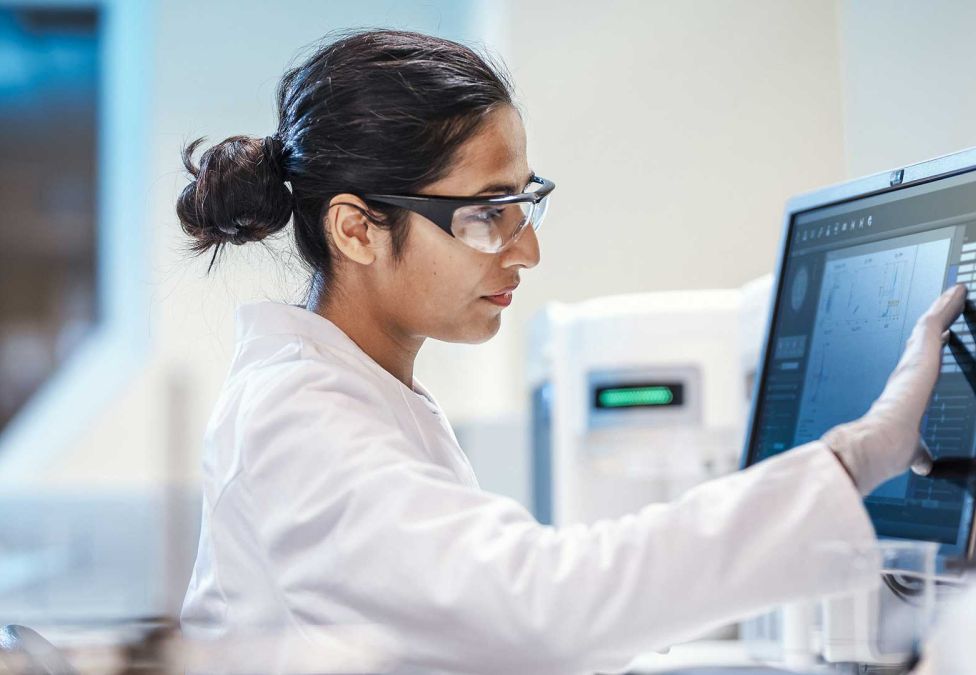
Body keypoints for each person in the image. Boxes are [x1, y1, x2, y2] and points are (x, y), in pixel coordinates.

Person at [176, 28, 966, 674]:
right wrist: (854, 457)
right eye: (487, 212)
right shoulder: (297, 418)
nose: (525, 252)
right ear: (356, 229)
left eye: (525, 202)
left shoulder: (363, 395)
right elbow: (542, 607)